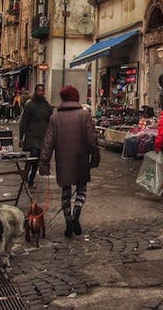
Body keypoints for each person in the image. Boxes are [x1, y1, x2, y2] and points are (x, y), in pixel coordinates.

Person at [39, 85, 99, 238]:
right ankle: (77, 212)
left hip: (63, 160)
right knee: (81, 189)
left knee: (65, 192)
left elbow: (48, 142)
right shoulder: (84, 115)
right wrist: (95, 156)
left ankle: (68, 222)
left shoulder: (55, 117)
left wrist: (44, 163)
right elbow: (92, 139)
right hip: (81, 158)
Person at [19, 84, 52, 187]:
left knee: (37, 159)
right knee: (33, 156)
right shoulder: (30, 105)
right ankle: (26, 177)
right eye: (39, 91)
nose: (40, 93)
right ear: (35, 91)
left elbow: (50, 119)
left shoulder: (46, 105)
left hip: (42, 135)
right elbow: (24, 121)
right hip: (32, 134)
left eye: (42, 91)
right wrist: (21, 137)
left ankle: (31, 179)